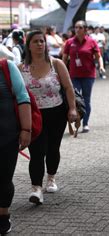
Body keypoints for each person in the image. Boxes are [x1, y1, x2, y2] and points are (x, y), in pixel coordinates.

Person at [19, 30, 77, 205]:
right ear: (28, 45)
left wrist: (72, 109)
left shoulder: (56, 64)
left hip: (56, 113)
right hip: (33, 116)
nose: (40, 44)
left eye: (42, 41)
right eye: (36, 41)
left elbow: (68, 88)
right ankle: (36, 188)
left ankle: (50, 178)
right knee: (37, 152)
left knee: (53, 148)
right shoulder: (21, 68)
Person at [0, 60, 31, 235]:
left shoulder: (7, 67)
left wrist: (26, 129)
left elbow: (22, 97)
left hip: (7, 136)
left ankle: (3, 215)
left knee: (4, 178)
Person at [62, 20, 105, 133]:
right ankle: (77, 120)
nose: (77, 29)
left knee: (86, 99)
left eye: (80, 27)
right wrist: (61, 70)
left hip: (88, 75)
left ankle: (85, 123)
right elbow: (64, 58)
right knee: (75, 99)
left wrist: (101, 66)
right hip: (74, 75)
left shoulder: (92, 42)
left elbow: (98, 56)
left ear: (85, 29)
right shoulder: (69, 42)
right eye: (76, 27)